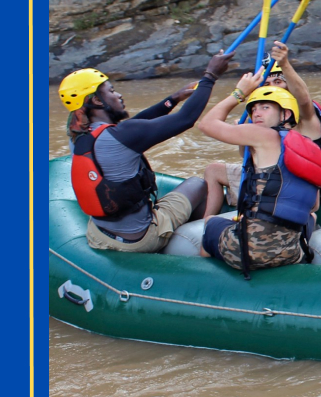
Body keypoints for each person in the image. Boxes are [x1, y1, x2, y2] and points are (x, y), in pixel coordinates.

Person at [59, 50, 233, 253]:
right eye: (112, 91)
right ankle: (197, 243)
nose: (118, 95)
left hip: (99, 234)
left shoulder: (79, 134)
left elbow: (138, 123)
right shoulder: (122, 135)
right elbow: (185, 119)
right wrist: (210, 76)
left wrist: (173, 98)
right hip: (141, 239)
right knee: (198, 184)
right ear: (97, 101)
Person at [197, 75, 321, 277]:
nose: (256, 113)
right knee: (311, 217)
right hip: (292, 252)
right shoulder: (310, 148)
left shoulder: (262, 135)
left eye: (265, 107)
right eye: (253, 109)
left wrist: (239, 93)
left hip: (251, 251)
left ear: (286, 113)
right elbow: (314, 206)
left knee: (210, 224)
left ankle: (206, 281)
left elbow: (206, 124)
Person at [202, 40, 321, 217]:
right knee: (213, 170)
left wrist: (284, 64)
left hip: (299, 190)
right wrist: (243, 136)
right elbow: (247, 156)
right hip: (267, 181)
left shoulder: (304, 117)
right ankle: (207, 220)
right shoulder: (260, 116)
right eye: (266, 84)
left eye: (278, 82)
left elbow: (303, 99)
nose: (272, 88)